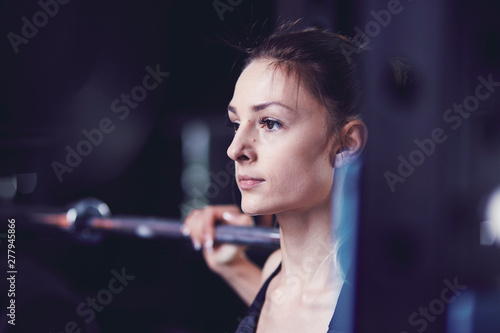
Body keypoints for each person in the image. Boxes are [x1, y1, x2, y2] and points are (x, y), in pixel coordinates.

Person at [183, 23, 368, 333]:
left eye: (269, 123)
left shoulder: (371, 303)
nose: (235, 149)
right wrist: (234, 268)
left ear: (346, 145)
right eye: (236, 123)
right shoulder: (274, 274)